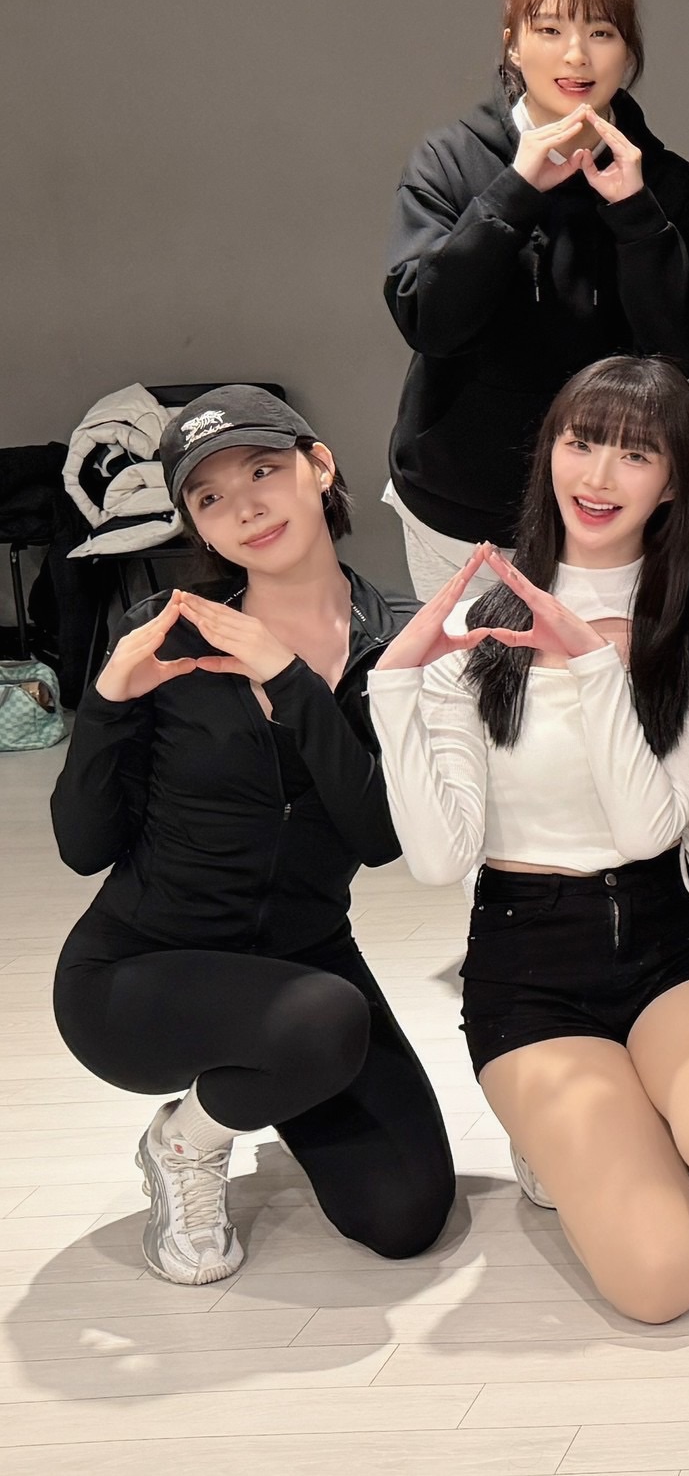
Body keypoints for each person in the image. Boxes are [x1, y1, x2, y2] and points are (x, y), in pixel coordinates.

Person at [368, 356, 689, 1326]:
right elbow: (440, 860)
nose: (599, 477)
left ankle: (644, 1120)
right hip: (527, 963)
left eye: (635, 454)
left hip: (664, 936)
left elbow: (649, 826)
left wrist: (593, 665)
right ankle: (574, 1134)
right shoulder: (475, 623)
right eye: (581, 443)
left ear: (677, 480)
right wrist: (394, 687)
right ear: (549, 456)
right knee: (663, 1282)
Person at [51, 386, 453, 1285]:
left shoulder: (397, 643)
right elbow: (82, 845)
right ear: (195, 522)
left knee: (406, 1213)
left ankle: (265, 1077)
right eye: (210, 496)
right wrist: (107, 701)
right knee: (327, 1018)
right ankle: (187, 1142)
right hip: (139, 970)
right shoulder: (167, 633)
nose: (245, 508)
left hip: (305, 964)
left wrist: (292, 681)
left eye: (264, 471)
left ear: (320, 467)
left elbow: (379, 835)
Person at [383, 0, 689, 596]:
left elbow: (685, 351)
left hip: (615, 514)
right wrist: (513, 192)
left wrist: (636, 214)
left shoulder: (672, 185)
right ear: (513, 44)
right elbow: (430, 322)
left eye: (601, 33)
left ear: (629, 51)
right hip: (462, 506)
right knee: (467, 667)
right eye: (549, 30)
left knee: (608, 669)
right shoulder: (451, 160)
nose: (576, 55)